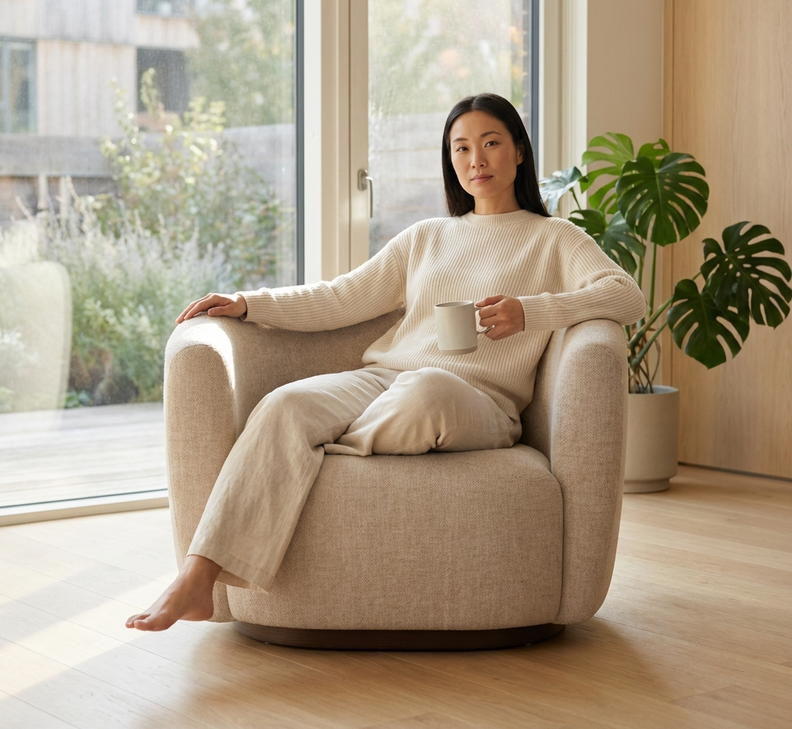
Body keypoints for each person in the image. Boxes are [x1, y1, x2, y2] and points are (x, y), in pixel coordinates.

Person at [126, 93, 646, 631]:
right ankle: (197, 577)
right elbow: (339, 297)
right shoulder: (426, 237)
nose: (476, 160)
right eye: (461, 148)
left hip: (475, 402)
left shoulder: (554, 239)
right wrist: (250, 303)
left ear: (518, 150)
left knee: (425, 391)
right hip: (380, 380)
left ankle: (305, 453)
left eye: (490, 143)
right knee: (285, 405)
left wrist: (530, 312)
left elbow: (626, 297)